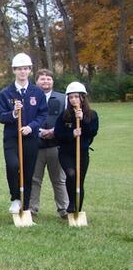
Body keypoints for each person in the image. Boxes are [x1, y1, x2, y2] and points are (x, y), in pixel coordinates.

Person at [0, 53, 48, 215]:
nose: (22, 72)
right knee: (13, 166)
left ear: (30, 70)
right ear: (14, 71)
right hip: (12, 138)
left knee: (28, 171)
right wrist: (13, 114)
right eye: (19, 69)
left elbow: (42, 114)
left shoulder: (37, 92)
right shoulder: (6, 93)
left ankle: (25, 205)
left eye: (25, 69)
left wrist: (31, 127)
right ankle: (15, 198)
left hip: (30, 138)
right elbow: (0, 116)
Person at [55, 82, 99, 216]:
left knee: (79, 179)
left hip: (82, 152)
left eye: (76, 97)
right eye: (71, 97)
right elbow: (58, 134)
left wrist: (83, 120)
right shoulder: (64, 115)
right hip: (66, 153)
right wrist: (71, 134)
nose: (73, 99)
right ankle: (72, 202)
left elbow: (93, 132)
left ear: (82, 98)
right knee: (71, 174)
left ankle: (78, 208)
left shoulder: (92, 115)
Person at [31, 68, 69, 219]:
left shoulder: (62, 98)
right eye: (42, 79)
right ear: (36, 81)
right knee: (34, 179)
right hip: (36, 144)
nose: (45, 81)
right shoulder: (30, 98)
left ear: (52, 81)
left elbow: (67, 118)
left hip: (55, 145)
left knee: (59, 179)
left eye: (48, 79)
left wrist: (55, 131)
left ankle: (64, 209)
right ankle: (32, 209)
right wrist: (39, 131)